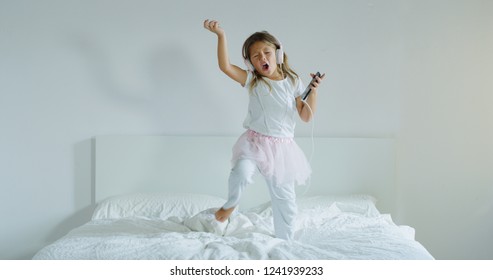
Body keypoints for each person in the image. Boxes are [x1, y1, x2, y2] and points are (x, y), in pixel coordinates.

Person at [203, 19, 325, 240]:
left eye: (267, 53)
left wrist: (313, 92)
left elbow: (305, 116)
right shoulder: (253, 81)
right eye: (256, 56)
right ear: (250, 63)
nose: (262, 59)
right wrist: (221, 35)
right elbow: (225, 67)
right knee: (241, 173)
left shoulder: (293, 81)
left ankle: (284, 241)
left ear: (278, 55)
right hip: (255, 142)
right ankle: (231, 204)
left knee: (285, 199)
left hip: (282, 149)